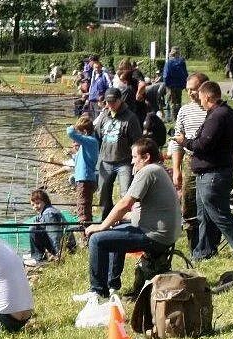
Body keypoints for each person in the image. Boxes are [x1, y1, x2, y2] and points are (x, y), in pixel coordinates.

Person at [83, 138, 182, 299]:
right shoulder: (158, 169)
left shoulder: (148, 171)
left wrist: (102, 225)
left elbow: (125, 203)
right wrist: (118, 219)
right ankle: (112, 285)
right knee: (115, 231)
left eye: (135, 157)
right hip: (164, 234)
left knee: (97, 239)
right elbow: (143, 209)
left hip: (155, 236)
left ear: (146, 157)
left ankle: (97, 292)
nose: (132, 161)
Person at [175, 80, 233, 260]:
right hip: (218, 171)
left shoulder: (218, 116)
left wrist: (184, 141)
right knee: (205, 216)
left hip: (213, 174)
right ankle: (204, 251)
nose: (199, 100)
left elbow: (203, 145)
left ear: (208, 96)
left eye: (200, 96)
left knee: (219, 214)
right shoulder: (231, 114)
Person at [168, 72, 210, 251]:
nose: (190, 94)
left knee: (208, 203)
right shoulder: (184, 111)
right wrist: (176, 170)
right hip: (190, 161)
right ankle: (194, 244)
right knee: (189, 204)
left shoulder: (212, 110)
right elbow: (177, 142)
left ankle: (209, 242)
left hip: (210, 161)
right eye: (188, 90)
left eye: (193, 90)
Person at [95, 87, 143, 219]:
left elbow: (138, 141)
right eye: (107, 102)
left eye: (113, 101)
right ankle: (106, 220)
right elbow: (97, 135)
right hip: (105, 161)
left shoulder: (131, 118)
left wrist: (137, 162)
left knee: (126, 194)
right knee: (103, 195)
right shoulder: (104, 116)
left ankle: (128, 221)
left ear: (120, 100)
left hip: (124, 162)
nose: (110, 104)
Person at [25, 189, 75, 266]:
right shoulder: (45, 211)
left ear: (45, 202)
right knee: (35, 225)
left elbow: (54, 235)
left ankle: (39, 258)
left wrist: (59, 253)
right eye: (33, 205)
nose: (35, 207)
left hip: (65, 247)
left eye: (38, 203)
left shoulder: (48, 214)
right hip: (63, 245)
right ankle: (36, 253)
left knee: (33, 229)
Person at [67, 114, 99, 225]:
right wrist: (73, 156)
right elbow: (80, 160)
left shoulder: (90, 141)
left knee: (83, 206)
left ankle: (86, 233)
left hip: (85, 179)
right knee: (83, 205)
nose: (77, 136)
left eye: (79, 132)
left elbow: (70, 133)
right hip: (83, 178)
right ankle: (86, 230)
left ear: (84, 132)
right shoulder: (87, 143)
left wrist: (73, 127)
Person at [162, 47, 189, 120]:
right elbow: (185, 74)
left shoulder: (169, 63)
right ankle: (179, 117)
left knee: (171, 102)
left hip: (170, 86)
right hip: (179, 86)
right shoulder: (182, 62)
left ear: (172, 53)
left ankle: (172, 118)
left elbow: (166, 75)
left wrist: (166, 84)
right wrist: (184, 85)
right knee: (178, 102)